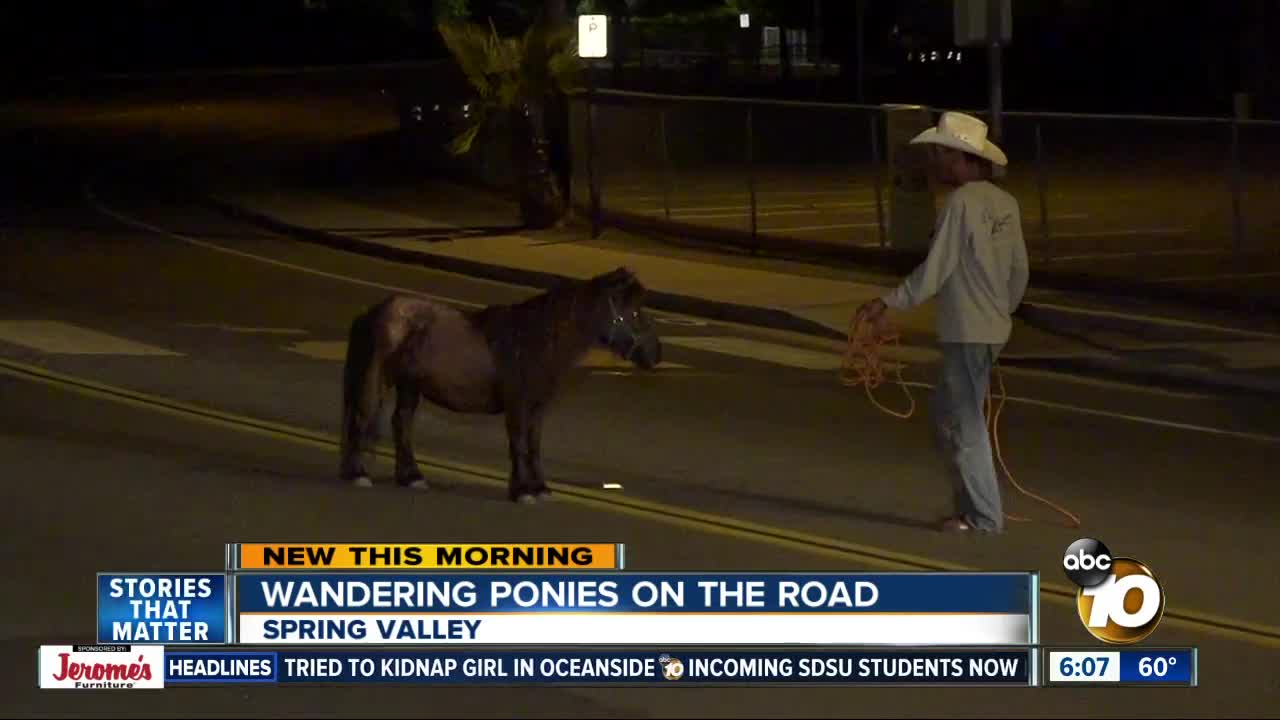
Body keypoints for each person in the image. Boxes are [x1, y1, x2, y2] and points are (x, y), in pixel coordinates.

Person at [855, 111, 1029, 534]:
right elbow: (1018, 271)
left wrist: (886, 303)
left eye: (940, 154)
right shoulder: (1004, 204)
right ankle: (972, 508)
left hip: (969, 329)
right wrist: (1000, 312)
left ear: (961, 158)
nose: (934, 163)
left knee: (961, 422)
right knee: (951, 417)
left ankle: (982, 516)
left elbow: (936, 269)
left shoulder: (960, 203)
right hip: (987, 328)